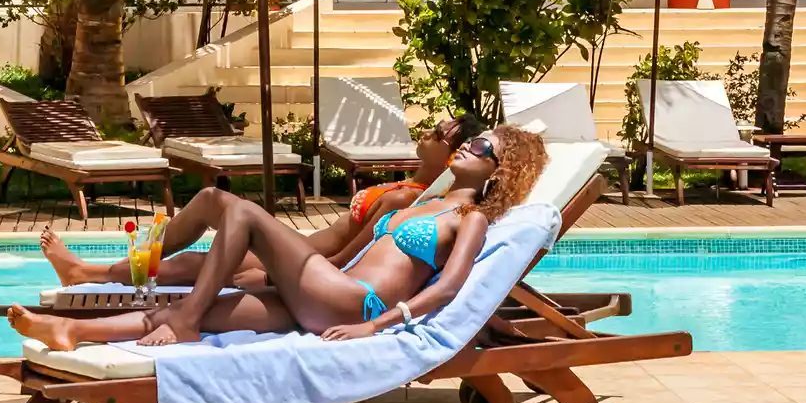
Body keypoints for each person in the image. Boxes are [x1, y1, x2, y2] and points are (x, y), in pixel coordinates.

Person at [9, 125, 547, 350]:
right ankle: (70, 332)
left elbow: (450, 290)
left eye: (482, 148)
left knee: (238, 212)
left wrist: (377, 327)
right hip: (325, 292)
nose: (469, 147)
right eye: (474, 140)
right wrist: (283, 272)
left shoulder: (470, 219)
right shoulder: (427, 201)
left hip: (354, 304)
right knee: (221, 303)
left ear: (498, 173)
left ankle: (183, 321)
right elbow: (352, 253)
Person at [38, 114, 484, 290]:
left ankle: (92, 271)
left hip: (313, 261)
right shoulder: (405, 185)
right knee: (210, 242)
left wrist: (295, 276)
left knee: (215, 210)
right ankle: (95, 271)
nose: (428, 129)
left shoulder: (407, 199)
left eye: (438, 131)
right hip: (304, 247)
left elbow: (357, 256)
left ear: (448, 152)